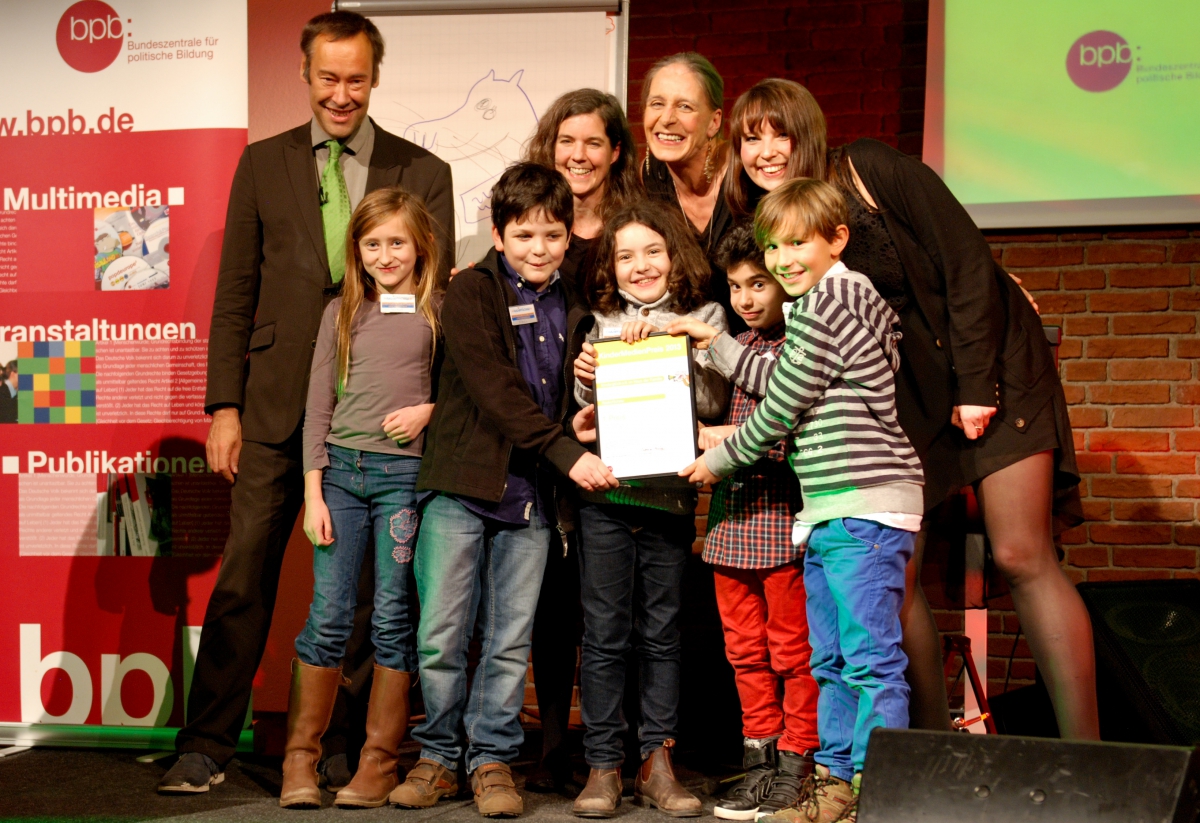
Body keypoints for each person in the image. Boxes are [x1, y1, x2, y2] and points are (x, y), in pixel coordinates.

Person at [724, 77, 1098, 740]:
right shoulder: (776, 226)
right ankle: (924, 753)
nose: (765, 149)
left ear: (806, 131)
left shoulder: (866, 168)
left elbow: (965, 257)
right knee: (891, 568)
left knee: (1018, 550)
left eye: (777, 131)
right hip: (909, 399)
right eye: (750, 138)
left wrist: (977, 384)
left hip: (993, 365)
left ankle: (1089, 758)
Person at [160, 11, 454, 794]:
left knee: (365, 588)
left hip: (378, 421)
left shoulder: (422, 169)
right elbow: (235, 294)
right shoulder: (263, 164)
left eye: (356, 78)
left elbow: (436, 299)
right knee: (245, 571)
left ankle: (340, 747)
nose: (342, 93)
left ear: (375, 77)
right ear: (305, 74)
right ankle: (206, 742)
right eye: (329, 77)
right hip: (273, 404)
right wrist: (224, 405)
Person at [682, 178, 925, 823]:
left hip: (864, 505)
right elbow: (785, 376)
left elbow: (780, 407)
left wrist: (716, 460)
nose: (785, 259)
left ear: (837, 238)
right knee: (831, 658)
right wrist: (715, 343)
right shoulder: (830, 303)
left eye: (798, 244)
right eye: (774, 247)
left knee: (870, 661)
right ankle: (833, 786)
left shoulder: (831, 300)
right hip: (826, 509)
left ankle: (876, 796)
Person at [389, 163, 618, 819]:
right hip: (462, 486)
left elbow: (559, 399)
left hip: (533, 499)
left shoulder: (577, 301)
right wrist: (567, 450)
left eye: (550, 233)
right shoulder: (470, 293)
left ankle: (491, 760)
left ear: (568, 236)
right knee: (440, 634)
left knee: (509, 642)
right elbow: (496, 393)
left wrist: (581, 412)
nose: (538, 248)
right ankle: (436, 757)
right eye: (524, 235)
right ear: (497, 233)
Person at [280, 187, 442, 809]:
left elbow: (459, 390)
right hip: (341, 480)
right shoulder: (341, 312)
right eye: (372, 244)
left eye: (396, 242)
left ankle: (378, 763)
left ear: (419, 245)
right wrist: (313, 490)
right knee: (328, 615)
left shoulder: (437, 310)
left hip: (402, 480)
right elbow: (318, 402)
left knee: (393, 618)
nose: (385, 254)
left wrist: (429, 410)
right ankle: (302, 759)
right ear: (357, 251)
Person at [569, 200, 728, 819]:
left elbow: (715, 402)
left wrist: (679, 341)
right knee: (604, 636)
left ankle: (657, 763)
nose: (640, 266)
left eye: (652, 251)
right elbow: (584, 416)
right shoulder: (598, 319)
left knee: (662, 635)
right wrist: (586, 379)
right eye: (625, 255)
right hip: (608, 494)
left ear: (674, 255)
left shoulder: (706, 315)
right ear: (610, 266)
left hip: (669, 495)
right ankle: (604, 765)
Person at [665, 224, 819, 821]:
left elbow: (789, 431)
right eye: (736, 287)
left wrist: (724, 441)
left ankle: (796, 764)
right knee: (745, 654)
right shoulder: (737, 344)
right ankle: (758, 763)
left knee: (792, 653)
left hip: (781, 523)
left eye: (759, 283)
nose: (748, 298)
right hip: (732, 527)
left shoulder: (797, 345)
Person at [520, 88, 641, 795]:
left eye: (594, 142)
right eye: (568, 141)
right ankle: (553, 744)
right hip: (544, 438)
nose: (580, 154)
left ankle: (611, 745)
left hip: (616, 435)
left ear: (616, 151)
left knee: (610, 600)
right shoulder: (533, 222)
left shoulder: (632, 227)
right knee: (551, 602)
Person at [639, 53, 742, 333]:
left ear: (714, 121)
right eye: (657, 103)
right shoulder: (648, 178)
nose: (667, 118)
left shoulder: (745, 171)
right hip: (689, 347)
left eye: (685, 106)